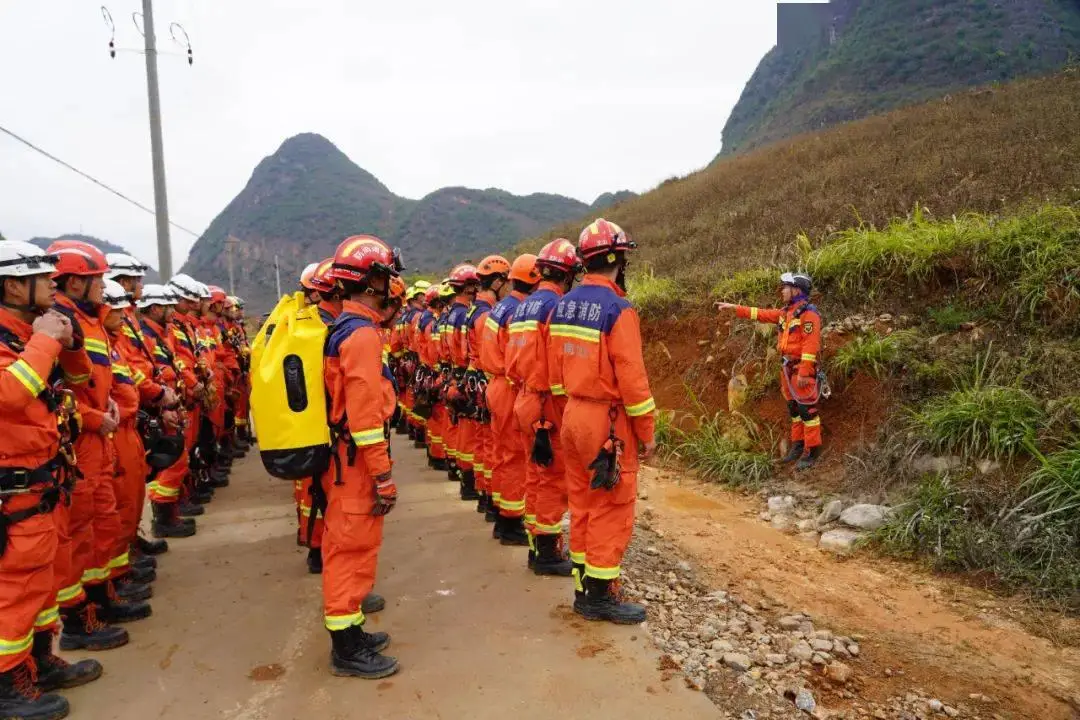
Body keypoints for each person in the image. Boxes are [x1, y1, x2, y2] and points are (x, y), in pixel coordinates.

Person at [0, 241, 102, 719]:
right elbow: (11, 394)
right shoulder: (19, 339)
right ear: (15, 285)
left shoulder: (26, 334)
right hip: (13, 491)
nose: (54, 287)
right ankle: (6, 685)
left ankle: (37, 662)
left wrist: (70, 341)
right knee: (15, 590)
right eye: (45, 279)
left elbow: (80, 384)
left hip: (43, 484)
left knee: (40, 586)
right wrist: (44, 339)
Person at [549, 219, 655, 625]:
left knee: (581, 501)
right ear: (616, 259)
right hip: (606, 423)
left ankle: (583, 584)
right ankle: (599, 596)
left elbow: (555, 367)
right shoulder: (618, 310)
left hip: (573, 413)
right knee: (612, 504)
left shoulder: (564, 305)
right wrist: (646, 433)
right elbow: (633, 378)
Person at [49, 239, 148, 645]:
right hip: (83, 437)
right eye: (95, 279)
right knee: (78, 533)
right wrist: (95, 417)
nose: (101, 286)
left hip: (100, 434)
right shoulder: (60, 322)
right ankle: (78, 622)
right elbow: (55, 390)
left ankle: (102, 597)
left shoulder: (86, 322)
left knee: (102, 522)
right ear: (75, 283)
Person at [321, 235, 401, 679]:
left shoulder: (346, 328)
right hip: (356, 461)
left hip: (348, 457)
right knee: (350, 548)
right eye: (386, 275)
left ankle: (351, 630)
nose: (390, 284)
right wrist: (383, 475)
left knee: (354, 545)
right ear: (371, 281)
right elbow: (366, 418)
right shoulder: (363, 336)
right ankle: (346, 648)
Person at [506, 240, 578, 576]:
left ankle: (538, 547)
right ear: (568, 273)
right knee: (551, 477)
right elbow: (560, 361)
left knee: (534, 474)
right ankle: (548, 552)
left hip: (523, 397)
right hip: (546, 402)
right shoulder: (556, 307)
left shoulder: (523, 307)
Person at [716, 272, 823, 470]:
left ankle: (812, 450)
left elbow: (811, 345)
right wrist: (735, 309)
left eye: (785, 287)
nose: (782, 291)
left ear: (797, 290)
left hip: (801, 370)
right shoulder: (786, 313)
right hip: (787, 369)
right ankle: (797, 446)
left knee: (807, 411)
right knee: (794, 410)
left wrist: (804, 372)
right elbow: (762, 314)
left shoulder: (809, 314)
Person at [100, 280, 163, 607]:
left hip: (126, 426)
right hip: (111, 432)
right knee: (115, 508)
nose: (125, 315)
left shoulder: (113, 341)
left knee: (132, 498)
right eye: (118, 309)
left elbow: (130, 377)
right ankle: (113, 582)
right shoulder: (96, 342)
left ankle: (124, 563)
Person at [481, 255, 540, 542]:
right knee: (515, 455)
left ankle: (501, 512)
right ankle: (511, 522)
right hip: (510, 386)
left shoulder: (500, 307)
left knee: (502, 452)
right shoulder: (519, 310)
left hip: (495, 384)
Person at [140, 284, 197, 538]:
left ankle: (169, 515)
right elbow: (148, 373)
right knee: (171, 461)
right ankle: (163, 519)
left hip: (170, 400)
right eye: (166, 308)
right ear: (154, 309)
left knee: (178, 457)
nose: (171, 313)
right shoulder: (147, 337)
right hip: (160, 404)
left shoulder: (159, 334)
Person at [300, 258, 341, 574]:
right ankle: (327, 555)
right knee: (330, 494)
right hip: (326, 424)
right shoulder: (327, 329)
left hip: (307, 425)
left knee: (312, 490)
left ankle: (316, 549)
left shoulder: (306, 323)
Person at [468, 256, 511, 518]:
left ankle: (490, 501)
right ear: (496, 282)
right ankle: (497, 507)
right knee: (497, 449)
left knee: (490, 445)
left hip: (480, 381)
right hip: (492, 382)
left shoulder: (475, 310)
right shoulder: (487, 315)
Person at [442, 265, 480, 500]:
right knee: (472, 436)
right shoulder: (466, 315)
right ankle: (470, 485)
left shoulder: (449, 315)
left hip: (454, 376)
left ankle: (465, 480)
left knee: (460, 431)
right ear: (467, 287)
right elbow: (468, 352)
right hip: (467, 376)